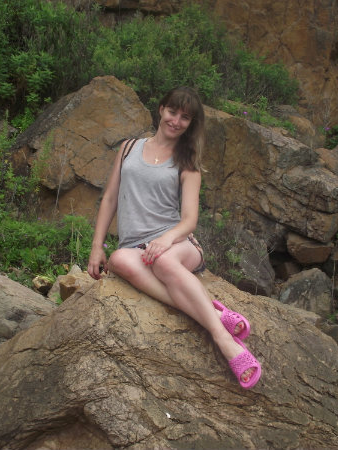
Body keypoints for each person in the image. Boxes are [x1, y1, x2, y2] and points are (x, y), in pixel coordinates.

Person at [87, 87, 261, 389]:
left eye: (185, 117)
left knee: (164, 262)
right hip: (135, 248)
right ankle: (212, 312)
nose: (176, 121)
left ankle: (223, 339)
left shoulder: (188, 162)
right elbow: (110, 198)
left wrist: (166, 241)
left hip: (179, 244)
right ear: (161, 109)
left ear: (190, 124)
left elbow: (189, 219)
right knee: (118, 259)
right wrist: (96, 247)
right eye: (172, 112)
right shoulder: (128, 148)